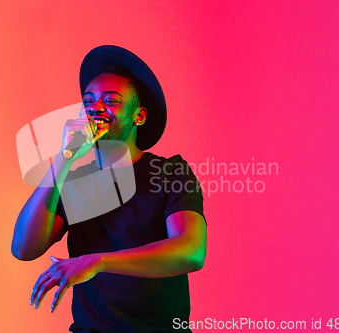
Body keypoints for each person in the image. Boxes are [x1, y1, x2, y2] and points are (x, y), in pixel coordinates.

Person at [11, 45, 207, 333]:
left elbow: (190, 251)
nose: (95, 108)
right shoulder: (75, 185)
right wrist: (65, 158)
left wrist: (97, 262)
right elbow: (24, 248)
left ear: (138, 116)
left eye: (111, 100)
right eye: (88, 101)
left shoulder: (170, 172)